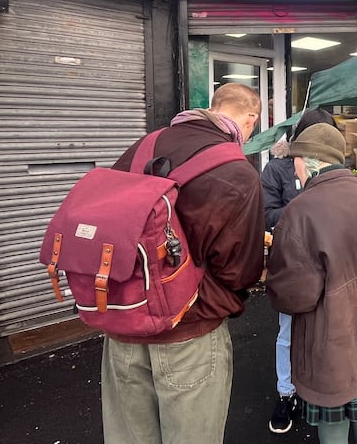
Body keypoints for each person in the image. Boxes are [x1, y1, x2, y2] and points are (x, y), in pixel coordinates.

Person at [101, 83, 266, 444]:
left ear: (213, 107)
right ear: (251, 119)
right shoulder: (238, 174)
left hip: (123, 327)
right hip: (189, 335)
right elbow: (240, 273)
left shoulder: (141, 147)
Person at [266, 123, 357, 444]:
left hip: (331, 341)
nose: (294, 169)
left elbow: (295, 296)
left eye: (296, 160)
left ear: (311, 160)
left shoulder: (300, 209)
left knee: (333, 425)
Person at [260, 108, 337, 434]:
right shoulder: (277, 169)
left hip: (333, 261)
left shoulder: (337, 169)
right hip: (292, 263)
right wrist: (305, 212)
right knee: (289, 331)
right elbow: (266, 215)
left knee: (332, 327)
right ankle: (286, 392)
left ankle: (325, 387)